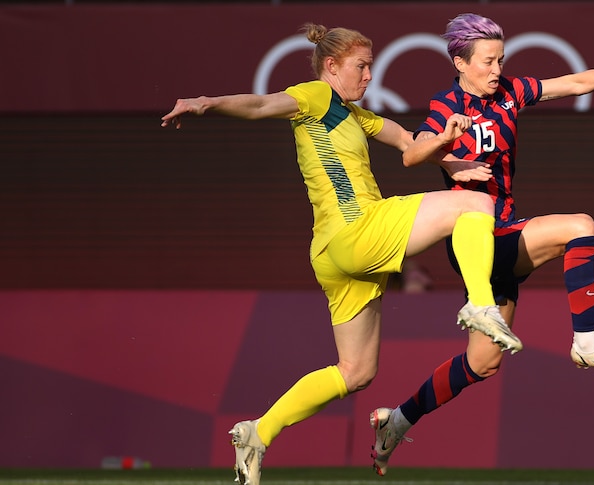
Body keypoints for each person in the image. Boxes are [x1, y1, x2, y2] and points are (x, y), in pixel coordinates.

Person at [161, 22, 523, 485]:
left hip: (333, 254)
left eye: (372, 66)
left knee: (355, 372)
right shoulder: (315, 96)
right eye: (361, 66)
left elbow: (411, 144)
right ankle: (479, 303)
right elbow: (260, 105)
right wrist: (204, 103)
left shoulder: (355, 115)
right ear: (330, 67)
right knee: (475, 205)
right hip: (358, 230)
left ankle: (257, 433)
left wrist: (449, 151)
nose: (369, 76)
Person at [368, 13, 594, 475]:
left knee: (482, 365)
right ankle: (587, 340)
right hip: (478, 240)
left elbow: (571, 83)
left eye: (501, 59)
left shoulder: (510, 94)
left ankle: (396, 421)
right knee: (581, 225)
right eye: (487, 61)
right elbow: (411, 152)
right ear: (460, 63)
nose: (497, 68)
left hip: (503, 236)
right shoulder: (447, 106)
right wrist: (447, 144)